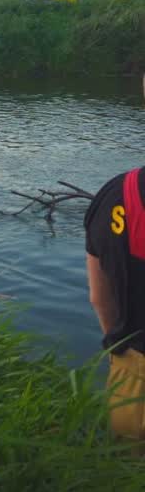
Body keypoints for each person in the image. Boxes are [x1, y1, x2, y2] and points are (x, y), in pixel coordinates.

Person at [85, 113, 145, 445]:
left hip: (133, 373)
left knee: (126, 485)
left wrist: (121, 350)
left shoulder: (117, 194)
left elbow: (99, 297)